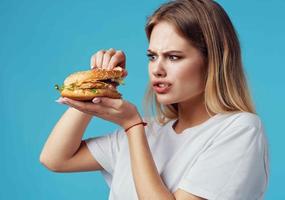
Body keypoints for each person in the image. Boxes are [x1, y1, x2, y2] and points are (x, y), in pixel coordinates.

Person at [40, 0, 269, 199]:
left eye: (174, 57)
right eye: (152, 56)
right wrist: (100, 83)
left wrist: (132, 126)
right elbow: (55, 158)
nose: (157, 70)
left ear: (213, 61)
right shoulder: (151, 129)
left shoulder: (239, 129)